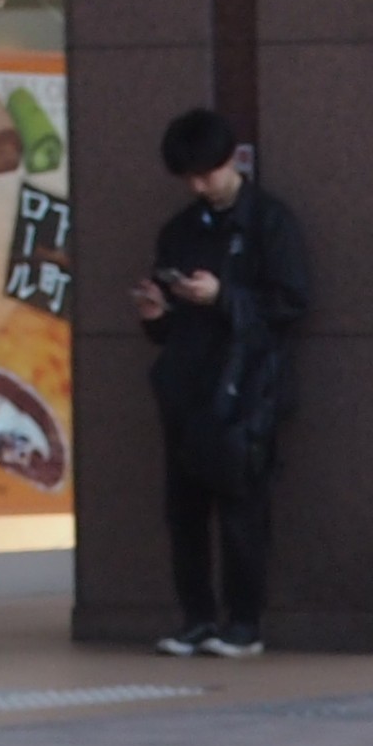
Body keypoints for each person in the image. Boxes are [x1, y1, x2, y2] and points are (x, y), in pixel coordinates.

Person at [132, 109, 308, 660]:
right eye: (188, 177)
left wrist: (223, 296)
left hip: (245, 388)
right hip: (186, 384)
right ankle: (196, 618)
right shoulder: (180, 230)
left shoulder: (268, 222)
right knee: (183, 510)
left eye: (205, 174)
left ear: (230, 160)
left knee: (240, 507)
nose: (197, 186)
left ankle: (244, 623)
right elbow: (167, 329)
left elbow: (290, 303)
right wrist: (157, 313)